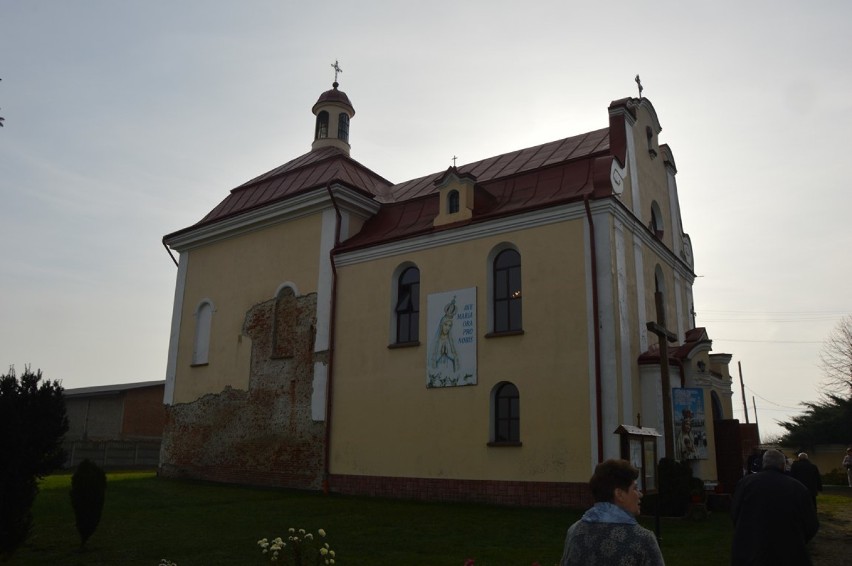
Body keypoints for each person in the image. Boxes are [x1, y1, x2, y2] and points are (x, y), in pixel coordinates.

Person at [560, 459, 664, 566]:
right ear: (619, 494)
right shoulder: (643, 539)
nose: (640, 494)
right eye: (635, 488)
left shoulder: (575, 531)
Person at [731, 448, 819, 565]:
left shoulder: (745, 484)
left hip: (751, 549)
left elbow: (735, 514)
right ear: (783, 465)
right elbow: (811, 524)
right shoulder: (797, 487)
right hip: (789, 552)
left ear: (763, 464)